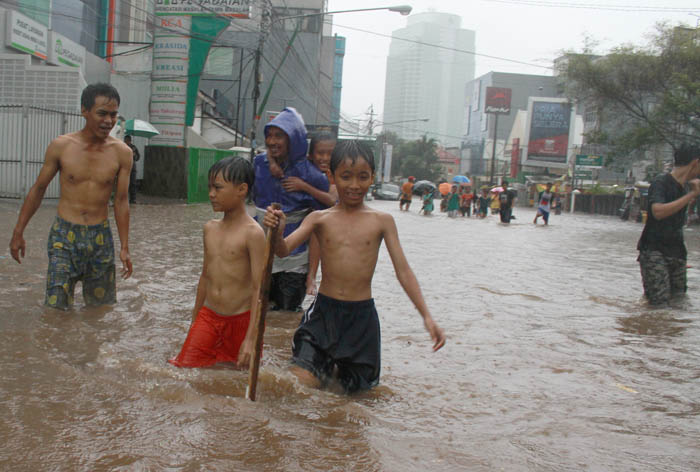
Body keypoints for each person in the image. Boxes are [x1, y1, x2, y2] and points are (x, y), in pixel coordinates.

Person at [263, 140, 446, 393]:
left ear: (373, 177)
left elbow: (403, 270)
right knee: (298, 385)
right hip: (323, 315)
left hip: (361, 321)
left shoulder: (382, 221)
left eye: (362, 177)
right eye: (346, 177)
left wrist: (426, 316)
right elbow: (282, 249)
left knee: (355, 399)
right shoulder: (319, 218)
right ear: (332, 176)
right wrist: (277, 230)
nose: (354, 185)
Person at [9, 83, 134, 310]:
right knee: (56, 308)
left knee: (100, 310)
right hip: (64, 237)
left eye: (113, 115)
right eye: (102, 113)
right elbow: (38, 189)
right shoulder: (62, 146)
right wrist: (18, 231)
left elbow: (121, 200)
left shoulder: (122, 153)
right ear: (84, 111)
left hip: (100, 238)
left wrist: (124, 246)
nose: (108, 121)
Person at [169, 157, 265, 368]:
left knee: (233, 380)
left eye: (218, 188)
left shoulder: (253, 233)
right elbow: (205, 276)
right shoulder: (209, 229)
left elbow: (260, 289)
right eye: (210, 187)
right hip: (209, 316)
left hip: (241, 321)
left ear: (241, 189)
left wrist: (251, 339)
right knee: (184, 369)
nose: (211, 194)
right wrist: (194, 321)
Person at [253, 108, 329, 312]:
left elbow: (325, 222)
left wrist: (312, 275)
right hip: (260, 252)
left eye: (279, 136)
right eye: (269, 135)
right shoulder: (259, 164)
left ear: (293, 139)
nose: (271, 141)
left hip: (294, 260)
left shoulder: (313, 175)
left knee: (286, 315)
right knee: (257, 310)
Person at [637, 143, 700, 306]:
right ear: (696, 163)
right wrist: (692, 195)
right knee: (659, 304)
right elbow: (658, 211)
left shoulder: (689, 186)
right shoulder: (661, 182)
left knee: (680, 303)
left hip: (677, 252)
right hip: (654, 251)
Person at [124, 135, 140, 204]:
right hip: (124, 167)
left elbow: (138, 157)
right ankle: (123, 198)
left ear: (130, 141)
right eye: (125, 140)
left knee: (133, 183)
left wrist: (134, 156)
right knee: (123, 183)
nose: (126, 142)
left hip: (132, 167)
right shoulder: (122, 147)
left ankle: (133, 199)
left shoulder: (133, 147)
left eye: (127, 140)